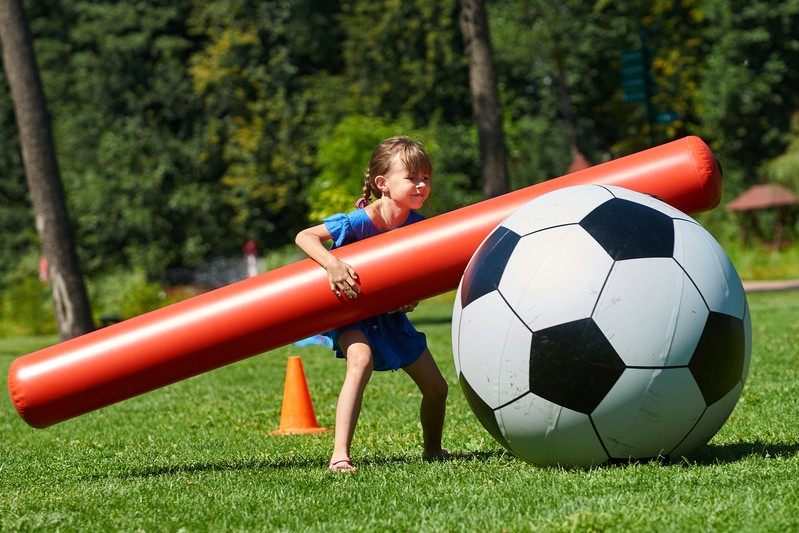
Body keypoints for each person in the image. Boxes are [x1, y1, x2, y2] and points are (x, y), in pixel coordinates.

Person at [295, 136, 449, 472]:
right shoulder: (358, 221)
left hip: (390, 319)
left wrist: (411, 298)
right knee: (360, 359)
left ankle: (433, 451)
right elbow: (304, 236)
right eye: (412, 177)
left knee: (437, 388)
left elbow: (415, 275)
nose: (422, 185)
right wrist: (332, 264)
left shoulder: (418, 228)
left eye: (426, 177)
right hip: (353, 315)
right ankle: (339, 455)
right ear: (383, 183)